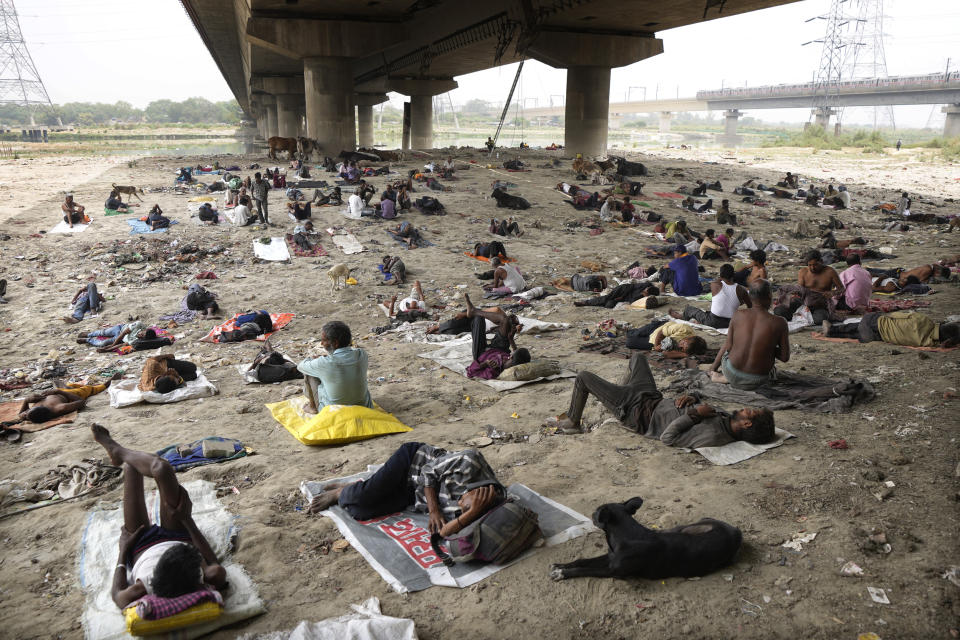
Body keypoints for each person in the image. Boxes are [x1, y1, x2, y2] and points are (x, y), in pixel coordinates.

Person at [90, 425, 227, 607]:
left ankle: (118, 452)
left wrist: (123, 550)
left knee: (132, 468)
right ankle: (118, 451)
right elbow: (213, 562)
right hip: (179, 534)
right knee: (162, 469)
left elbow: (117, 596)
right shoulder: (211, 576)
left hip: (140, 545)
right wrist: (186, 518)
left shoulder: (142, 587)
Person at [544, 352, 775, 442]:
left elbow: (668, 437)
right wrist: (692, 399)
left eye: (751, 412)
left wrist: (693, 414)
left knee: (583, 377)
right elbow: (698, 408)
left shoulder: (714, 435)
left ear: (746, 423)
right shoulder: (727, 419)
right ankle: (618, 393)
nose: (746, 409)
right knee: (638, 358)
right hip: (651, 398)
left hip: (636, 411)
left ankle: (573, 421)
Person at [305, 442, 505, 541]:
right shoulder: (470, 461)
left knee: (360, 511)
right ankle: (341, 492)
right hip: (412, 463)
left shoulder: (476, 511)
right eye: (464, 499)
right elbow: (428, 471)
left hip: (415, 494)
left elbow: (444, 533)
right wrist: (434, 510)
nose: (459, 503)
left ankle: (353, 487)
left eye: (463, 507)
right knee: (360, 496)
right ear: (478, 489)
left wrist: (470, 513)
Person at [709, 280, 790, 390]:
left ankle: (725, 377)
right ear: (770, 296)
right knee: (771, 369)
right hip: (757, 381)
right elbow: (785, 357)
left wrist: (712, 368)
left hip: (731, 373)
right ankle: (734, 379)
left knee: (730, 348)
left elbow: (728, 346)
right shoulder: (780, 322)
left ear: (750, 296)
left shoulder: (738, 315)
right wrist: (766, 346)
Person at [297, 321, 372, 414]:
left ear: (335, 343)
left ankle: (313, 407)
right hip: (363, 406)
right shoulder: (362, 354)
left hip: (334, 412)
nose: (321, 343)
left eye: (324, 340)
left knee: (309, 373)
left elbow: (300, 366)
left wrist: (313, 359)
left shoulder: (325, 362)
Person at [462, 294, 528, 380]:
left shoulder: (494, 370)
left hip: (482, 353)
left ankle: (474, 312)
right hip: (500, 349)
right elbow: (516, 353)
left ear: (512, 357)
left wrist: (484, 364)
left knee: (478, 319)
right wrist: (511, 339)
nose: (512, 352)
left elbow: (471, 372)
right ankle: (473, 311)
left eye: (513, 353)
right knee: (505, 320)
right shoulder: (513, 361)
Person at [671, 264, 751, 329]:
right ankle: (701, 319)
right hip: (731, 322)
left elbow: (718, 282)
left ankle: (681, 316)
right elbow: (750, 306)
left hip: (713, 321)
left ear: (721, 275)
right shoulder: (742, 289)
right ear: (733, 275)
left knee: (689, 309)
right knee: (710, 312)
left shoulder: (715, 285)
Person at [775, 250, 844, 325]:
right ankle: (802, 316)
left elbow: (841, 288)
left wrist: (832, 293)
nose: (812, 268)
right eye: (810, 265)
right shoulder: (803, 271)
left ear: (821, 261)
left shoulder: (830, 272)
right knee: (778, 311)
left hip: (820, 304)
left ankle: (802, 317)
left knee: (821, 319)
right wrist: (794, 294)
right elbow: (800, 290)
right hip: (803, 303)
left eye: (815, 265)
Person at [823, 313, 959, 348]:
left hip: (870, 324)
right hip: (871, 338)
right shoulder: (928, 343)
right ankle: (837, 332)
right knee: (860, 333)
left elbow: (894, 316)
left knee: (875, 320)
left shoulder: (923, 320)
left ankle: (833, 329)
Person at [16, 379, 113, 423]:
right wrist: (59, 391)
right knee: (88, 389)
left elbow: (20, 415)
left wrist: (26, 400)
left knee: (62, 383)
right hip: (68, 395)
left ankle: (65, 386)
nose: (25, 412)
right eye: (27, 412)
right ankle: (106, 384)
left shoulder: (31, 414)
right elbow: (81, 402)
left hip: (56, 393)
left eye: (27, 411)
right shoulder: (59, 408)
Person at [625, 319, 707, 356]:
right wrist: (656, 346)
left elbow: (666, 354)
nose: (680, 346)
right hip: (659, 329)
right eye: (683, 343)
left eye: (682, 349)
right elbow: (661, 333)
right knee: (632, 333)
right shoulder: (684, 329)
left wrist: (684, 354)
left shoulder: (687, 348)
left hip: (652, 341)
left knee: (629, 342)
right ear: (689, 337)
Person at [78, 321, 152, 353]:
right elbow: (123, 333)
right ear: (144, 330)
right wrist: (113, 345)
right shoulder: (139, 325)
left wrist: (107, 349)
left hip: (121, 339)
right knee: (103, 332)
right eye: (142, 334)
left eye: (142, 337)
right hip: (120, 329)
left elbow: (122, 344)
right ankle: (89, 334)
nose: (140, 335)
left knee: (102, 344)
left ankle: (87, 340)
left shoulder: (137, 340)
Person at [574, 282, 659, 309]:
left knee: (608, 305)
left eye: (646, 292)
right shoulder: (645, 285)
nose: (644, 291)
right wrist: (621, 296)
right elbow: (630, 286)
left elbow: (632, 301)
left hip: (623, 298)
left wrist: (641, 295)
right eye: (646, 290)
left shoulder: (643, 297)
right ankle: (585, 302)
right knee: (608, 297)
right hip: (623, 290)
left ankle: (591, 302)